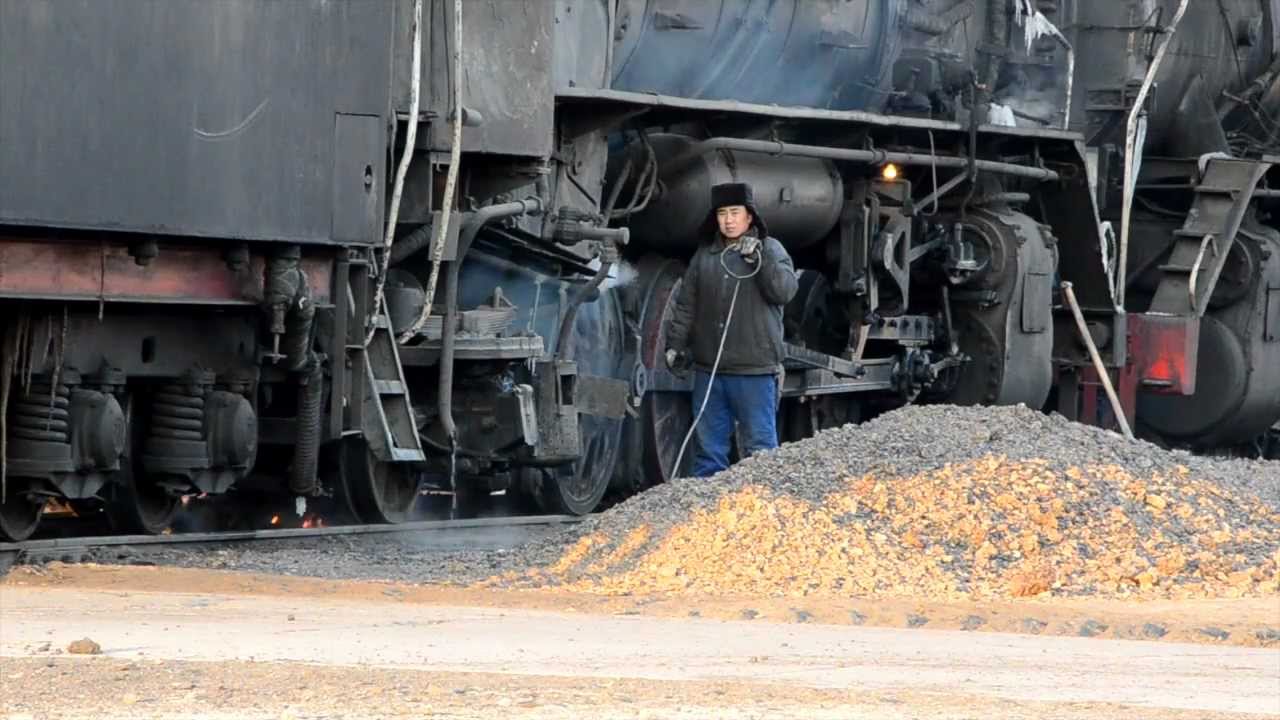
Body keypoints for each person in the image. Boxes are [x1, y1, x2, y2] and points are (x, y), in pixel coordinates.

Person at [664, 182, 798, 477]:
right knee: (708, 454)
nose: (728, 219)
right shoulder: (705, 256)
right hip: (710, 371)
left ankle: (763, 512)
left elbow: (785, 291)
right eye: (722, 213)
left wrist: (759, 261)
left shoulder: (771, 249)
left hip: (755, 372)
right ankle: (707, 514)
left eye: (735, 212)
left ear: (750, 217)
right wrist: (674, 345)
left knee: (760, 451)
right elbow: (687, 305)